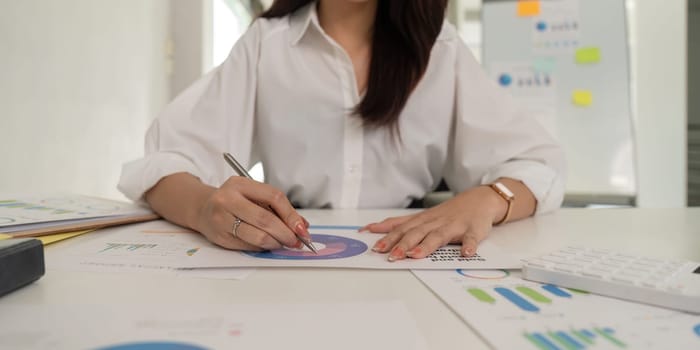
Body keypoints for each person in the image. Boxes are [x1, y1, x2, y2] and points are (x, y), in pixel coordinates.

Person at [118, 0, 565, 262]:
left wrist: (490, 198)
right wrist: (203, 209)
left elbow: (539, 166)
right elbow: (162, 164)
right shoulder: (265, 44)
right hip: (290, 257)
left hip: (410, 258)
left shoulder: (440, 49)